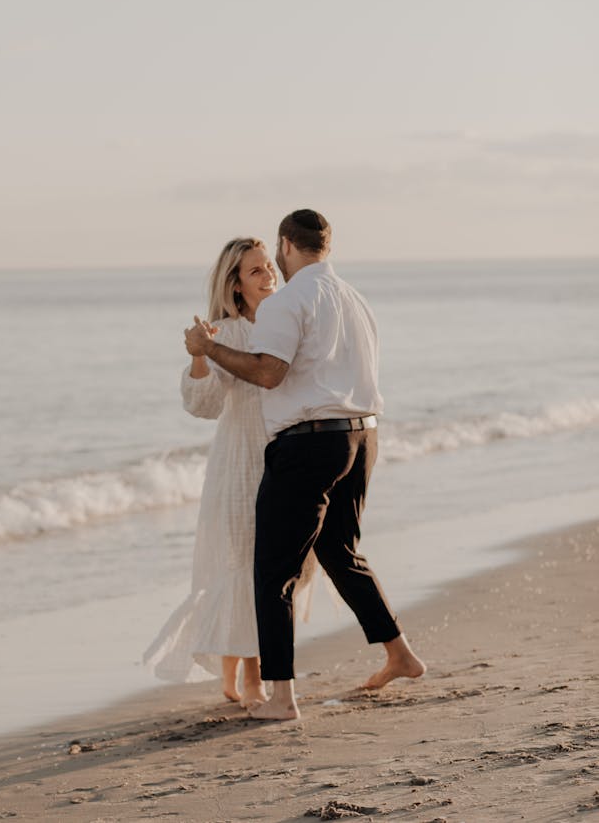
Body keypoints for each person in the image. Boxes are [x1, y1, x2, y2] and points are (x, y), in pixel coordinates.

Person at [184, 209, 426, 720]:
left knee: (273, 574)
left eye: (273, 258)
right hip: (362, 437)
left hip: (310, 444)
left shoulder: (289, 301)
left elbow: (269, 374)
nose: (272, 268)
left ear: (286, 246)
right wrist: (207, 354)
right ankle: (399, 652)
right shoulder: (355, 299)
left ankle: (281, 698)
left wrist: (210, 348)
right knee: (340, 552)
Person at [144, 237, 313, 707]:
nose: (269, 276)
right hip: (241, 460)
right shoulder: (224, 332)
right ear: (236, 286)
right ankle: (248, 675)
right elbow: (203, 405)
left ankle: (253, 669)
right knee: (242, 563)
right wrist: (200, 353)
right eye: (256, 271)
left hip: (289, 454)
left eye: (268, 267)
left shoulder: (288, 323)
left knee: (279, 566)